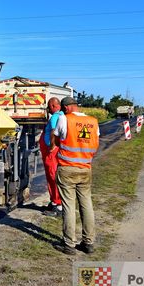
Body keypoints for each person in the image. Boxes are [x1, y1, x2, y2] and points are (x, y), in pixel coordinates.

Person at [52, 96, 100, 255]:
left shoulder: (64, 119)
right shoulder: (93, 121)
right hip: (86, 169)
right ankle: (88, 243)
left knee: (69, 206)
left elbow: (57, 140)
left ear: (65, 108)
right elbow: (95, 143)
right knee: (87, 204)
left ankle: (69, 244)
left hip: (67, 169)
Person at [39, 97, 64, 217]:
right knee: (52, 176)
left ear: (54, 106)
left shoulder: (55, 117)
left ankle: (58, 205)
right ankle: (54, 201)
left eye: (49, 106)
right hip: (53, 151)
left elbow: (54, 131)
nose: (48, 109)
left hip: (51, 152)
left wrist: (52, 146)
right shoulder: (61, 115)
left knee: (52, 175)